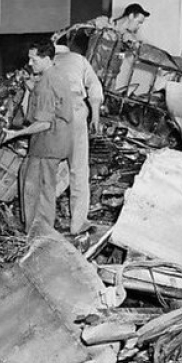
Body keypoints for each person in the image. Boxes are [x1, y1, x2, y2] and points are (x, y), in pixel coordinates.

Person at [4, 40, 73, 236]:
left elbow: (44, 123)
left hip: (48, 143)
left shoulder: (45, 84)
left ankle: (38, 234)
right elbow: (45, 103)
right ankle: (36, 229)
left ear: (46, 58)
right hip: (54, 141)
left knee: (37, 191)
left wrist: (14, 134)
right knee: (31, 178)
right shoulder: (56, 74)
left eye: (33, 59)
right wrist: (30, 87)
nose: (30, 63)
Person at [51, 43, 104, 235]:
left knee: (50, 167)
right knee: (78, 169)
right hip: (74, 111)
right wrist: (95, 115)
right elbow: (94, 85)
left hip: (51, 114)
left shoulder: (44, 61)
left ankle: (44, 220)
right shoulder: (78, 59)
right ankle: (78, 224)